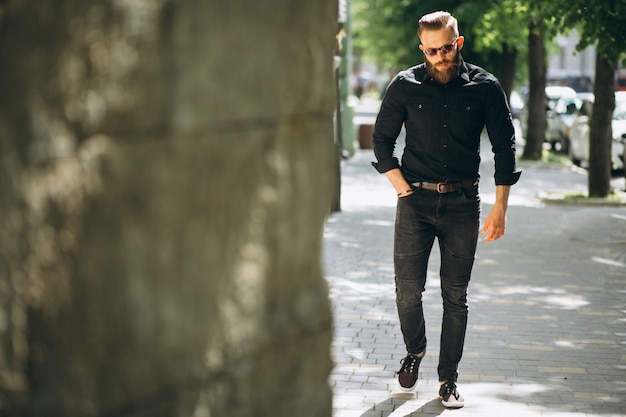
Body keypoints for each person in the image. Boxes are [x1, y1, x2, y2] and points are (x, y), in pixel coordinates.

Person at [371, 11, 521, 408]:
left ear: (460, 43)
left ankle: (448, 379)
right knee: (407, 290)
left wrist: (500, 206)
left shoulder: (485, 87)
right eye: (431, 50)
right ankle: (415, 349)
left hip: (461, 204)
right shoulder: (404, 85)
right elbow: (382, 140)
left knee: (455, 294)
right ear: (423, 48)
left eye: (446, 48)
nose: (439, 56)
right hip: (414, 203)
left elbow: (505, 148)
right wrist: (400, 185)